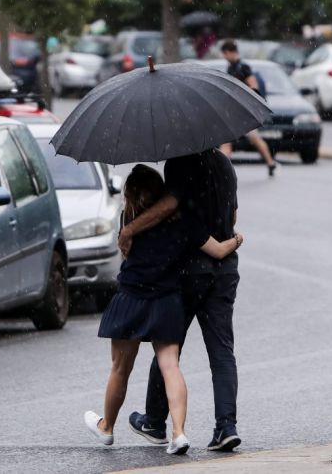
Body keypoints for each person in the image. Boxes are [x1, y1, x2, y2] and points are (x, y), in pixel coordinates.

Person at [85, 165, 243, 456]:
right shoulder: (188, 218)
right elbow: (221, 244)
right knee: (174, 365)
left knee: (120, 368)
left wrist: (131, 229)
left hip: (132, 297)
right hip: (168, 298)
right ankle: (181, 432)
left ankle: (108, 427)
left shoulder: (129, 219)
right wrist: (237, 240)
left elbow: (129, 252)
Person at [219, 40, 278, 176]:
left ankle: (270, 163)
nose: (225, 57)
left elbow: (253, 86)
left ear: (231, 52)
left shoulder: (243, 67)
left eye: (225, 53)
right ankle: (270, 163)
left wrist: (249, 105)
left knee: (251, 139)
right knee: (229, 140)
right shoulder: (232, 67)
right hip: (235, 111)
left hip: (243, 111)